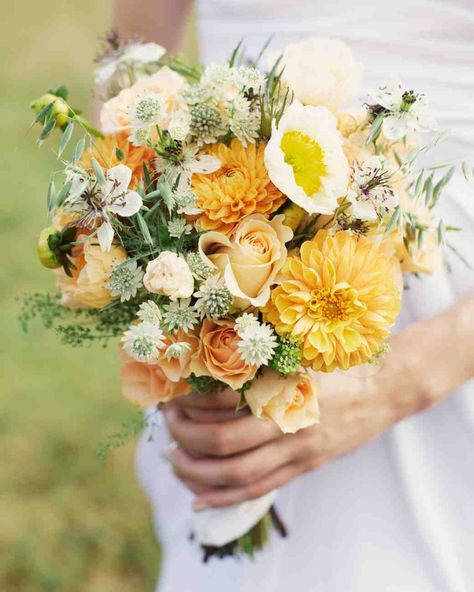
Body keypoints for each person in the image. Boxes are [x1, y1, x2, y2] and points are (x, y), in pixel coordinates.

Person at [115, 1, 474, 590]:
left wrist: (387, 387)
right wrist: (150, 250)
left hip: (448, 311)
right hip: (222, 234)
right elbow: (131, 63)